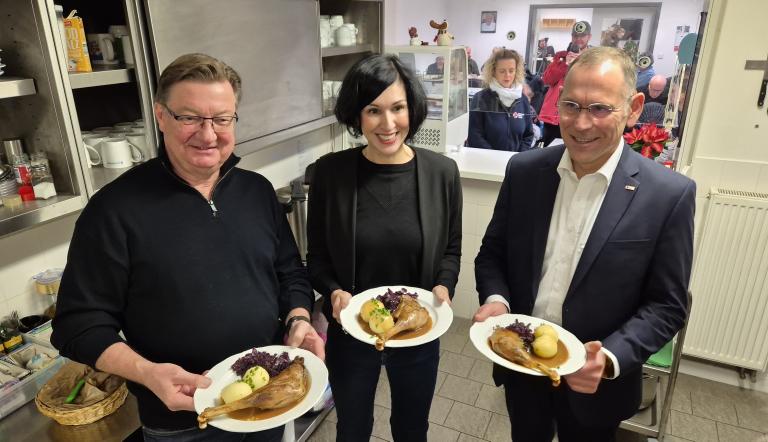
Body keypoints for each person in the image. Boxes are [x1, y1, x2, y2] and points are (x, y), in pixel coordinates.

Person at [51, 53, 325, 442]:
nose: (208, 134)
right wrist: (147, 373)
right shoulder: (114, 210)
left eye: (221, 119)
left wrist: (299, 318)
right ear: (161, 116)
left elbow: (289, 271)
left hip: (268, 398)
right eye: (190, 117)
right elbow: (77, 325)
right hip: (183, 420)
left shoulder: (256, 191)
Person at [473, 46, 694, 441]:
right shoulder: (525, 171)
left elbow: (667, 305)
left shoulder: (667, 195)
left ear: (635, 107)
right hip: (522, 368)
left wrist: (610, 359)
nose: (580, 123)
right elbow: (493, 254)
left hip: (598, 387)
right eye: (571, 105)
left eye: (600, 109)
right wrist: (496, 300)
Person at [307, 53, 462, 441]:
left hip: (417, 329)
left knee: (412, 428)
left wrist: (444, 283)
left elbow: (452, 249)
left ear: (413, 109)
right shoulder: (330, 173)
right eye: (373, 110)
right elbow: (318, 257)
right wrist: (334, 290)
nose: (388, 124)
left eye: (398, 108)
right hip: (352, 329)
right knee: (353, 427)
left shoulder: (441, 174)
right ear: (356, 116)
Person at [466, 49, 534, 151]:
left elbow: (528, 135)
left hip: (515, 163)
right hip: (486, 162)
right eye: (502, 71)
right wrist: (495, 158)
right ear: (493, 72)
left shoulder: (522, 99)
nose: (507, 75)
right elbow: (474, 136)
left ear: (517, 71)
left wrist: (518, 157)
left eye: (511, 70)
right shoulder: (480, 98)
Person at [539, 20, 593, 147]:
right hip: (554, 115)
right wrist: (565, 64)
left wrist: (579, 64)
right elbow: (547, 79)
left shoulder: (593, 59)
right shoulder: (560, 56)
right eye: (575, 36)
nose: (578, 39)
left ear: (589, 37)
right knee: (547, 152)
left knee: (573, 148)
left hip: (578, 112)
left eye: (582, 36)